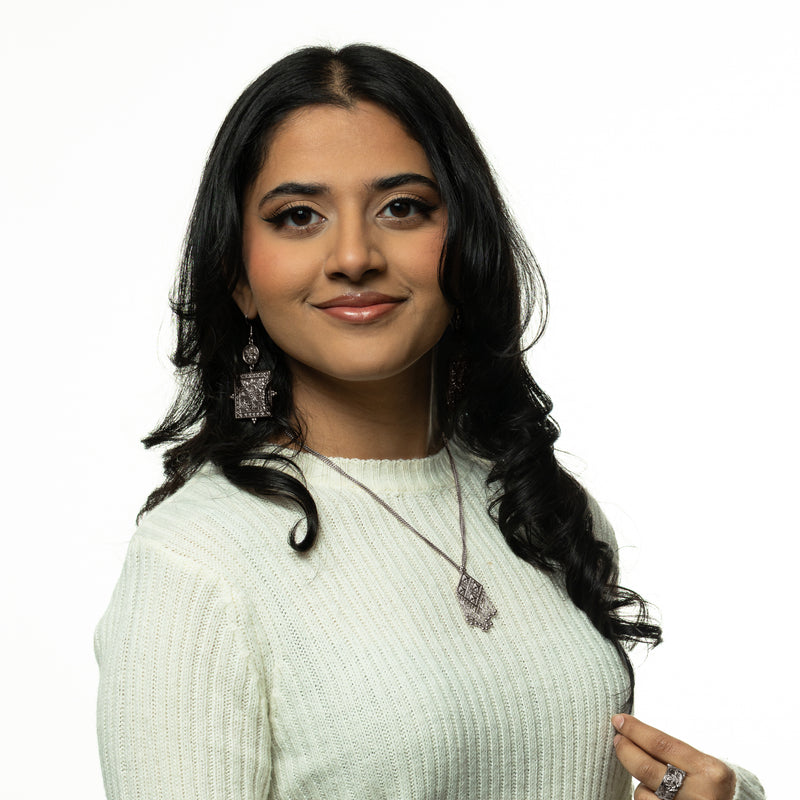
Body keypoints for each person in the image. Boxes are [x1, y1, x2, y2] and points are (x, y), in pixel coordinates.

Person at [94, 44, 764, 800]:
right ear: (240, 279)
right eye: (299, 216)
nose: (354, 255)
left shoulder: (540, 506)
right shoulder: (197, 565)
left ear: (465, 243)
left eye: (402, 207)